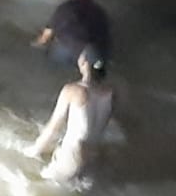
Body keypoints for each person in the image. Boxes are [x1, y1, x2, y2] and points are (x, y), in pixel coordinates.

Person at [28, 45, 115, 181]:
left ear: (84, 63)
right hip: (93, 156)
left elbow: (53, 127)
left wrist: (32, 151)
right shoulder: (111, 93)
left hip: (73, 153)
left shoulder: (72, 90)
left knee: (40, 183)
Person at [32, 0, 111, 66]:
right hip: (93, 55)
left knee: (50, 55)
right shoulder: (100, 12)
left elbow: (47, 33)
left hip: (67, 53)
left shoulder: (66, 7)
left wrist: (38, 43)